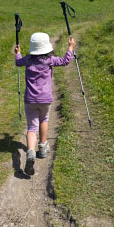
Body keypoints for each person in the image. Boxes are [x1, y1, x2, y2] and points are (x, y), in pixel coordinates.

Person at [15, 32, 75, 176]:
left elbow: (18, 62)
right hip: (46, 99)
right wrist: (70, 47)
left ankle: (30, 152)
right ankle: (42, 147)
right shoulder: (50, 60)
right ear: (47, 48)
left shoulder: (28, 60)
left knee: (31, 127)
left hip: (30, 99)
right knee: (44, 120)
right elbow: (65, 60)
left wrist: (18, 53)